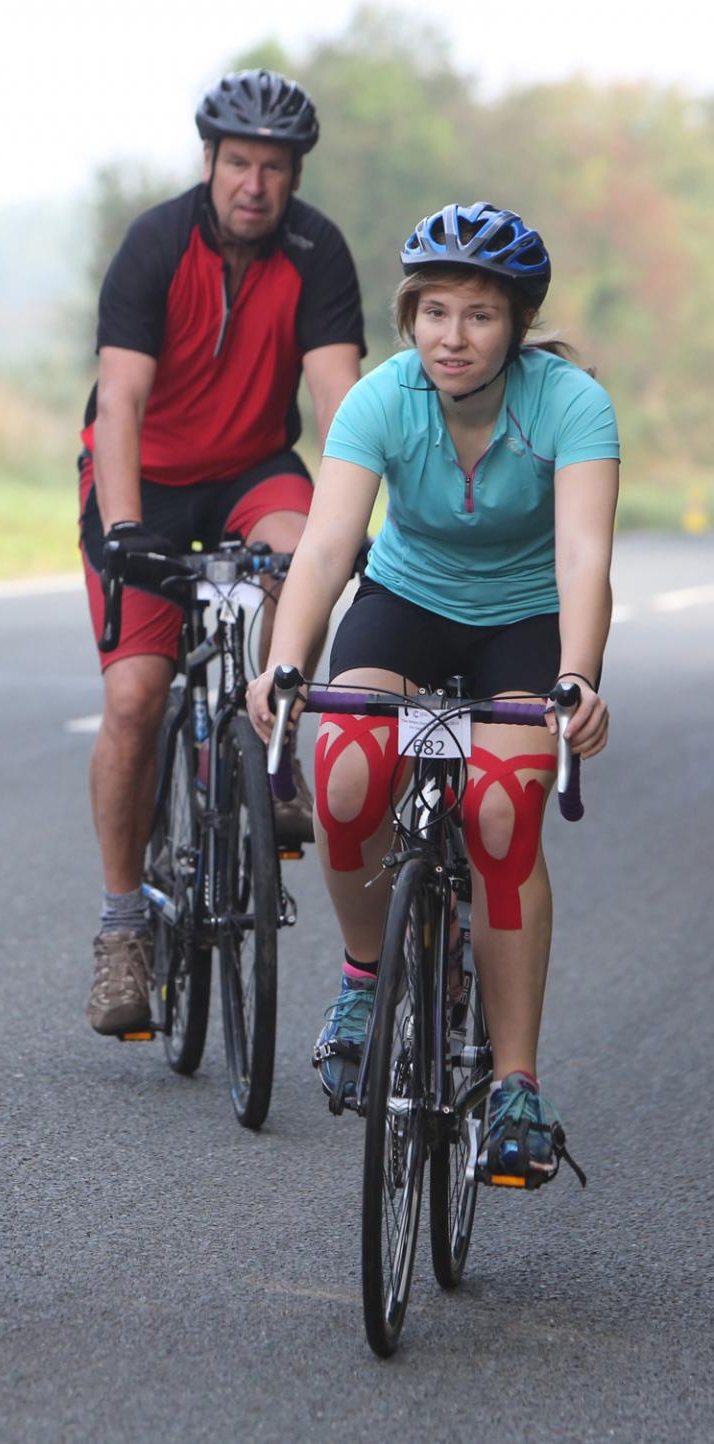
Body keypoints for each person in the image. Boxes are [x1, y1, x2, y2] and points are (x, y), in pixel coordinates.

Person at [246, 201, 618, 1177]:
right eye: (435, 311)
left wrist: (577, 676)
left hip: (525, 626)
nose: (454, 336)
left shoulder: (570, 404)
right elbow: (327, 548)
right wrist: (287, 663)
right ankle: (367, 974)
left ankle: (515, 1084)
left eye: (481, 315)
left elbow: (583, 556)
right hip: (406, 609)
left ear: (518, 326)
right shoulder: (382, 397)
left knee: (499, 816)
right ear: (409, 315)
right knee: (351, 773)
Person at [80, 68, 366, 1035]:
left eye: (274, 167)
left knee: (305, 555)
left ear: (293, 176)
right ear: (209, 161)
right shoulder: (157, 244)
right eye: (239, 161)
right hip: (145, 480)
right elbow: (118, 401)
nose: (255, 183)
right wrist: (122, 531)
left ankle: (270, 741)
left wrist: (355, 518)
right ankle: (123, 929)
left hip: (253, 469)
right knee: (133, 697)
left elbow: (340, 405)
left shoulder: (317, 253)